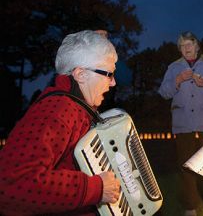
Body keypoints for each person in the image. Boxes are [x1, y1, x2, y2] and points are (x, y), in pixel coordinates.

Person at [0, 30, 121, 216]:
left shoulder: (78, 109)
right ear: (80, 74)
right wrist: (96, 188)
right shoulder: (57, 110)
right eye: (108, 74)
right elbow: (11, 184)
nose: (113, 83)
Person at [158, 31, 203, 216]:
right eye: (182, 46)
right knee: (186, 167)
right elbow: (163, 92)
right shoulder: (173, 67)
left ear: (197, 46)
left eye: (189, 44)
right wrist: (177, 80)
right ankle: (190, 206)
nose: (186, 49)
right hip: (183, 125)